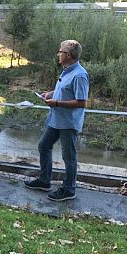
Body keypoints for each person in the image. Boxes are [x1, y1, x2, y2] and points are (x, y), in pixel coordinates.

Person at [25, 40, 89, 201]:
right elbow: (64, 89)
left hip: (68, 122)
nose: (58, 54)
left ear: (68, 55)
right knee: (44, 145)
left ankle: (69, 190)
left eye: (60, 52)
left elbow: (82, 102)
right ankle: (44, 181)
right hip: (56, 119)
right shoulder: (67, 70)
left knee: (69, 157)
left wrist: (57, 103)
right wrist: (50, 94)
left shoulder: (80, 75)